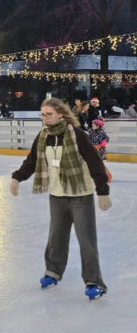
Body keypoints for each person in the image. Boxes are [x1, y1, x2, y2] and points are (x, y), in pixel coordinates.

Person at [9, 97, 111, 301]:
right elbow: (32, 160)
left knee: (86, 241)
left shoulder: (78, 135)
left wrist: (102, 191)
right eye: (42, 115)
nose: (45, 118)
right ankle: (53, 272)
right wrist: (17, 177)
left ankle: (94, 282)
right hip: (57, 195)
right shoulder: (43, 136)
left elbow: (95, 162)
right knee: (56, 237)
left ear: (61, 114)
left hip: (80, 195)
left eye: (49, 114)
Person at [88, 117, 111, 182]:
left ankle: (106, 175)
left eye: (93, 125)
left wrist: (103, 142)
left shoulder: (102, 132)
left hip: (100, 150)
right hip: (93, 150)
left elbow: (107, 138)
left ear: (98, 126)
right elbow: (88, 139)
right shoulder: (90, 132)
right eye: (92, 124)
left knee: (100, 163)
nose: (92, 126)